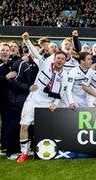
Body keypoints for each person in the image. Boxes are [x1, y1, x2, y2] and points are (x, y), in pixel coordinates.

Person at [17, 32, 68, 163]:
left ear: (65, 61)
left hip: (48, 103)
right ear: (54, 58)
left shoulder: (65, 75)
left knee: (46, 130)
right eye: (58, 58)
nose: (60, 60)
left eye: (62, 59)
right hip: (33, 100)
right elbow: (35, 54)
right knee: (24, 126)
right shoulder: (45, 64)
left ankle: (46, 150)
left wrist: (55, 103)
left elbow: (62, 91)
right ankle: (24, 153)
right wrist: (27, 41)